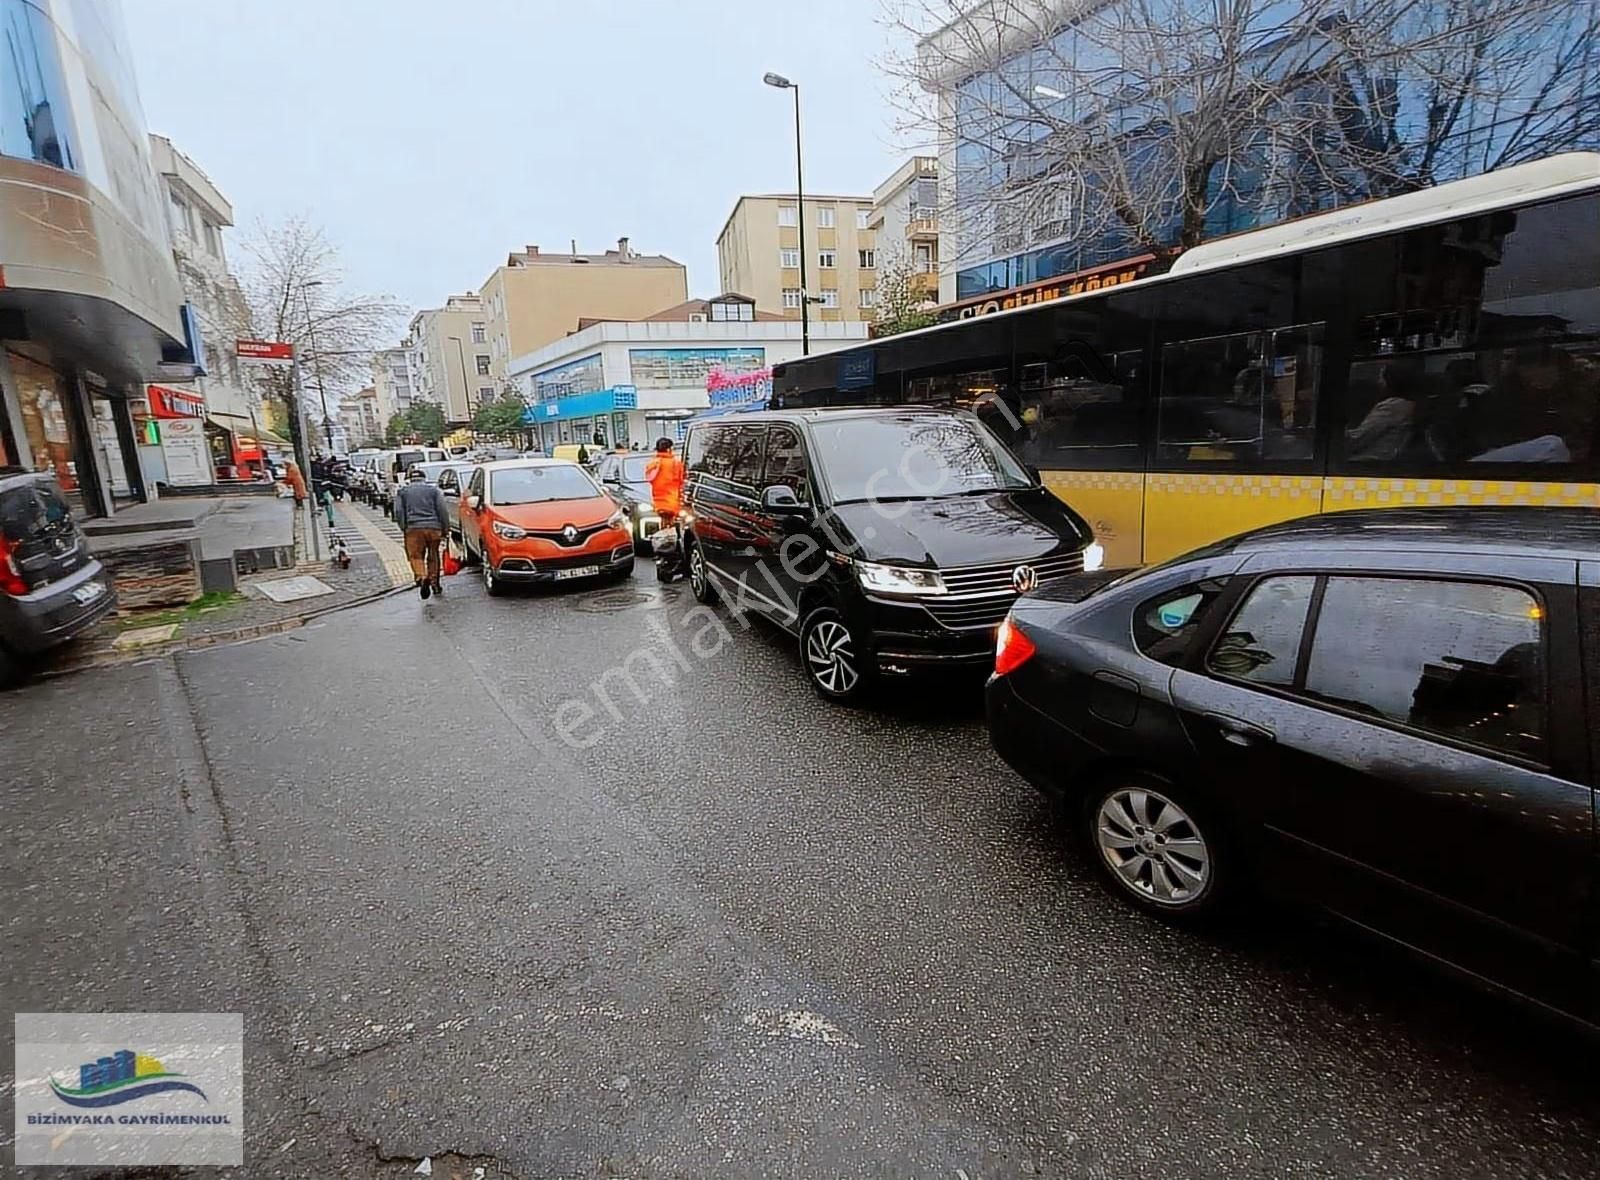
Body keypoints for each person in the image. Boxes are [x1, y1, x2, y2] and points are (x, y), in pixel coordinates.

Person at [393, 467, 450, 600]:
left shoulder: (403, 492)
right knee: (433, 555)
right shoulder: (434, 490)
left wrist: (404, 527)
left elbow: (398, 512)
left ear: (410, 479)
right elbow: (442, 510)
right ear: (424, 478)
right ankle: (435, 583)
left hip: (414, 528)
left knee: (415, 556)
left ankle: (422, 577)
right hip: (434, 528)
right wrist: (445, 529)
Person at [644, 436, 685, 525]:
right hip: (672, 500)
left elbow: (650, 479)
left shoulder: (652, 463)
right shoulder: (675, 463)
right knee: (671, 523)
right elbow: (682, 480)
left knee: (663, 521)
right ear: (668, 449)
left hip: (658, 501)